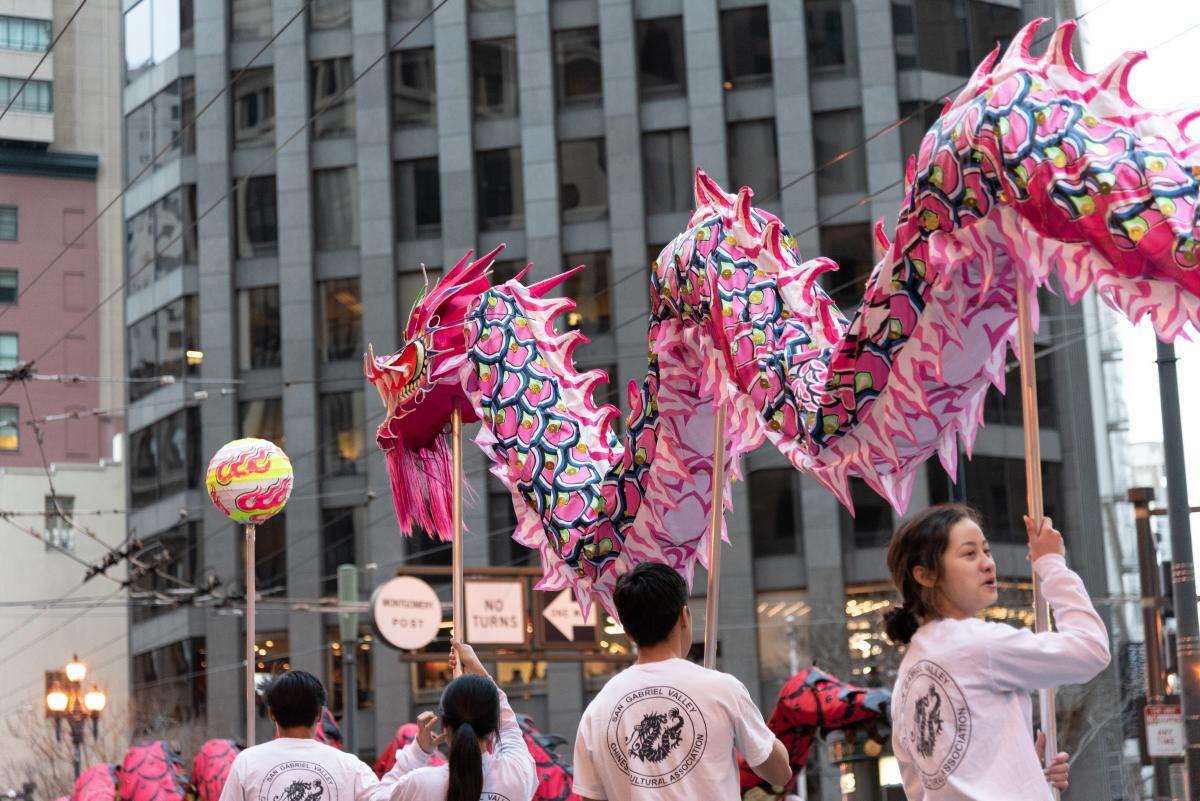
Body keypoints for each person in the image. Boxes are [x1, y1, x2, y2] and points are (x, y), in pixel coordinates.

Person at [884, 504, 1110, 800]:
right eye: (969, 553)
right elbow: (1091, 649)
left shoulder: (906, 678)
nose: (988, 563)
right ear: (925, 575)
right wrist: (1052, 564)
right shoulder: (976, 643)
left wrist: (1025, 772)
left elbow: (925, 790)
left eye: (986, 551)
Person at [572, 562, 792, 800]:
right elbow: (779, 773)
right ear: (684, 616)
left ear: (627, 631)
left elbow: (590, 797)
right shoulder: (724, 690)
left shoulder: (597, 711)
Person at [217, 670, 437, 801]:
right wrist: (417, 753)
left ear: (271, 713)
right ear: (320, 713)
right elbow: (387, 797)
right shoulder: (348, 766)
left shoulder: (247, 762)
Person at [384, 638, 538, 801]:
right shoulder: (517, 774)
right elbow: (508, 727)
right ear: (492, 724)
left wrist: (418, 753)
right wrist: (476, 667)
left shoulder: (419, 784)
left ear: (445, 728)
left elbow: (378, 798)